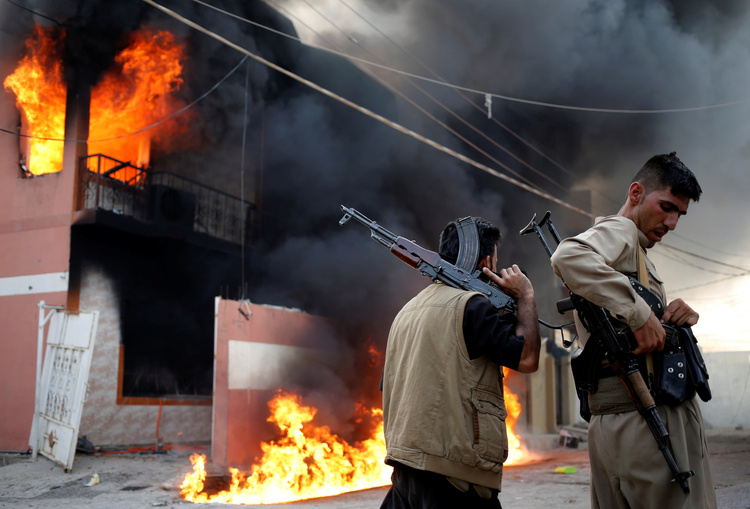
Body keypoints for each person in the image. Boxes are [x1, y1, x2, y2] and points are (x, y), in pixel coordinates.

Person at [550, 152, 717, 508]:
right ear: (637, 193)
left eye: (680, 215)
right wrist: (641, 315)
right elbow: (568, 257)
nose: (672, 223)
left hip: (618, 418)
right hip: (644, 417)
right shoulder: (621, 230)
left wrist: (666, 317)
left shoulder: (634, 252)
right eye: (666, 207)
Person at [379, 217, 541, 508]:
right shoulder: (472, 305)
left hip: (406, 468)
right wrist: (525, 296)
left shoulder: (407, 311)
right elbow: (528, 358)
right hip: (454, 475)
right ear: (486, 262)